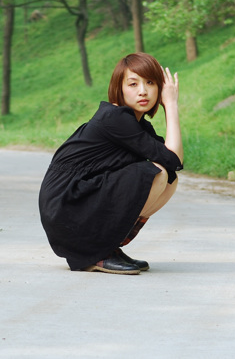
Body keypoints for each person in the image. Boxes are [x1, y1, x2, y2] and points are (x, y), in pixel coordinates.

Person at [38, 53, 183, 275]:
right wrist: (171, 106)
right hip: (66, 207)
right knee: (157, 174)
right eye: (133, 84)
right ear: (119, 88)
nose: (143, 91)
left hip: (74, 205)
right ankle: (97, 252)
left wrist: (170, 106)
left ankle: (107, 247)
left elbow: (174, 163)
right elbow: (172, 160)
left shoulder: (136, 124)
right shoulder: (115, 118)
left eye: (150, 83)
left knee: (169, 179)